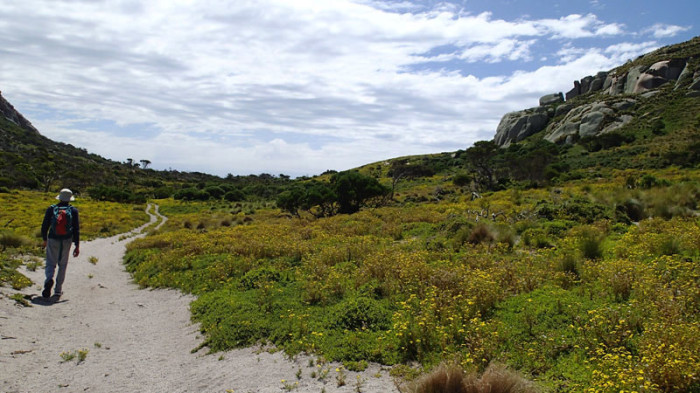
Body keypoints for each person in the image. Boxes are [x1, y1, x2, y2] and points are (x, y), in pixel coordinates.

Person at [40, 188, 80, 299]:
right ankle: (58, 290)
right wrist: (77, 245)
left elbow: (44, 226)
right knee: (62, 265)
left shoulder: (51, 209)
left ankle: (48, 280)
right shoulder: (73, 211)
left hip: (53, 238)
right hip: (66, 240)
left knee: (50, 263)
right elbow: (76, 229)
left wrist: (45, 239)